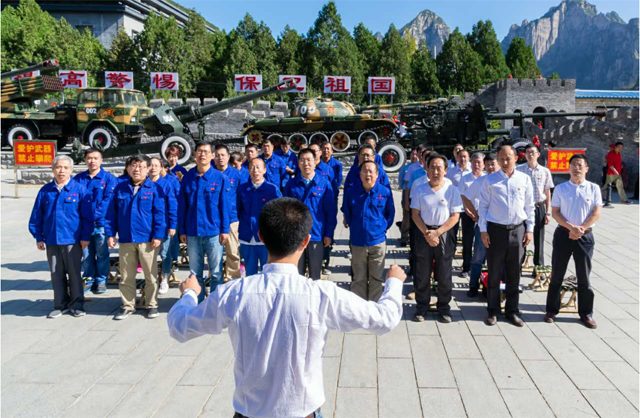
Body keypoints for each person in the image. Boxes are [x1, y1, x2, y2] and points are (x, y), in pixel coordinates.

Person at [167, 198, 405, 418]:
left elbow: (179, 327)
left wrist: (190, 293)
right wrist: (394, 282)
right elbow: (385, 318)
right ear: (305, 241)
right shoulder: (321, 295)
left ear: (261, 236)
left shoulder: (234, 293)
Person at [29, 155, 93, 318]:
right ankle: (60, 305)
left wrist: (85, 236)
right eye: (58, 167)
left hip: (72, 240)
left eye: (65, 167)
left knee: (74, 273)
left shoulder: (79, 190)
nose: (61, 171)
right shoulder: (45, 191)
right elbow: (37, 215)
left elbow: (87, 217)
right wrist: (39, 237)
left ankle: (77, 305)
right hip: (52, 240)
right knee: (56, 273)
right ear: (53, 169)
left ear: (71, 170)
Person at [479, 145, 535, 327]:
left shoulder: (524, 179)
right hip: (495, 231)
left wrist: (529, 229)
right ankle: (492, 310)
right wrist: (483, 230)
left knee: (514, 273)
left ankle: (512, 310)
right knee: (494, 272)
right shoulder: (489, 180)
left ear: (516, 158)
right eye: (501, 158)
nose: (504, 162)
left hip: (517, 230)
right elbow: (483, 206)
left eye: (508, 158)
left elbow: (529, 206)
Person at [544, 154, 602, 329]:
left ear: (586, 168)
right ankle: (551, 310)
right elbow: (555, 212)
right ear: (569, 168)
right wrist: (571, 228)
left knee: (584, 276)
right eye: (573, 165)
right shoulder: (561, 188)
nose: (576, 168)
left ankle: (586, 313)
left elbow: (596, 213)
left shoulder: (593, 188)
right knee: (557, 273)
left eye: (580, 165)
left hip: (585, 236)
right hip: (563, 235)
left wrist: (581, 229)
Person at [106, 155, 166, 320]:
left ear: (147, 169)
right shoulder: (120, 188)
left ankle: (152, 305)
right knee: (126, 275)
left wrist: (158, 235)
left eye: (141, 166)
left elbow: (160, 214)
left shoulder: (155, 189)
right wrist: (111, 234)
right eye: (133, 166)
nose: (137, 169)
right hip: (126, 239)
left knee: (150, 275)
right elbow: (111, 214)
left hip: (148, 240)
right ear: (128, 168)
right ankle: (127, 306)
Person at [411, 154, 463, 323]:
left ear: (445, 170)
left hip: (444, 233)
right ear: (426, 169)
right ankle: (422, 307)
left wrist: (437, 232)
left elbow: (455, 216)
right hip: (424, 232)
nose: (435, 171)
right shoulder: (419, 189)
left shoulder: (452, 190)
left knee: (444, 273)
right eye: (432, 167)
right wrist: (428, 233)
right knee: (422, 272)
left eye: (439, 168)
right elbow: (415, 214)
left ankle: (444, 308)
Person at [178, 142, 230, 303]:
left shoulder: (220, 178)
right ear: (194, 154)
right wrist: (182, 230)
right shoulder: (188, 177)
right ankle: (198, 303)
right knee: (195, 273)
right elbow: (182, 206)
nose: (202, 155)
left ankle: (214, 304)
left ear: (212, 155)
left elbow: (224, 206)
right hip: (193, 232)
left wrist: (225, 230)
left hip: (213, 232)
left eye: (206, 152)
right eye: (199, 151)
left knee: (216, 272)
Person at [342, 161, 395, 301]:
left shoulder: (385, 192)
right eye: (364, 171)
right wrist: (356, 227)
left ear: (377, 174)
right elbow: (347, 213)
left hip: (377, 242)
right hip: (358, 242)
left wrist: (380, 229)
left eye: (371, 171)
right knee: (358, 277)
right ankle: (359, 307)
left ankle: (374, 305)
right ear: (360, 174)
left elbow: (390, 214)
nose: (368, 174)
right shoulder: (351, 193)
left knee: (376, 278)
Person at [284, 149, 337, 280]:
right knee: (297, 274)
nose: (306, 163)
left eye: (309, 160)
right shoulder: (291, 185)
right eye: (302, 160)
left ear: (315, 162)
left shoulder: (324, 184)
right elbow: (286, 211)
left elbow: (330, 212)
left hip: (316, 234)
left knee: (315, 274)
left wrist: (328, 234)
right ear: (298, 163)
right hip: (297, 235)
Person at [74, 148, 117, 294]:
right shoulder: (78, 179)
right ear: (85, 160)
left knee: (102, 254)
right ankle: (88, 279)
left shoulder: (109, 179)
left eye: (95, 158)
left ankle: (101, 280)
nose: (92, 161)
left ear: (101, 160)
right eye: (89, 158)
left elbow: (107, 201)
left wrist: (93, 216)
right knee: (86, 254)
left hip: (101, 224)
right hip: (83, 225)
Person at [237, 158, 282, 275]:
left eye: (258, 167)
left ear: (264, 170)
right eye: (252, 167)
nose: (255, 170)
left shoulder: (272, 189)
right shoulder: (242, 189)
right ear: (248, 170)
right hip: (247, 237)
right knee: (249, 273)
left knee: (267, 272)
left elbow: (279, 213)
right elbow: (238, 210)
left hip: (265, 238)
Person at [462, 153, 498, 297]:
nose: (490, 167)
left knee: (497, 259)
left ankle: (493, 287)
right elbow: (466, 196)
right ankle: (473, 286)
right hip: (482, 226)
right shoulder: (480, 181)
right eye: (487, 164)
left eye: (492, 164)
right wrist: (475, 214)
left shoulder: (503, 180)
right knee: (478, 257)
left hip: (499, 226)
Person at [516, 144, 554, 268]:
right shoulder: (519, 170)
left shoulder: (545, 171)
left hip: (539, 207)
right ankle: (519, 264)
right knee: (521, 235)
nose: (530, 154)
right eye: (528, 152)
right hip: (523, 208)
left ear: (538, 154)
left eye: (533, 152)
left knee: (539, 237)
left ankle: (538, 266)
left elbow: (547, 193)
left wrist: (548, 212)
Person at [149, 157, 178, 295]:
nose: (153, 168)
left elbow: (172, 205)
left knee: (165, 253)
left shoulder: (166, 185)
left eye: (156, 165)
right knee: (149, 254)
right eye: (151, 165)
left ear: (162, 168)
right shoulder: (142, 183)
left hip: (163, 225)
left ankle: (165, 278)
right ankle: (151, 279)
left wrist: (173, 225)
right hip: (146, 226)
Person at [214, 144, 243, 282]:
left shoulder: (237, 174)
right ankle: (216, 281)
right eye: (217, 155)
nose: (220, 158)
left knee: (233, 252)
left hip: (232, 218)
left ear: (228, 157)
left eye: (223, 155)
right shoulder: (210, 174)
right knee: (214, 255)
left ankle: (233, 281)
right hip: (214, 220)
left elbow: (243, 196)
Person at [457, 152, 485, 278]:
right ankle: (466, 267)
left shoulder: (486, 178)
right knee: (467, 241)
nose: (476, 165)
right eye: (474, 162)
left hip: (483, 214)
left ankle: (481, 267)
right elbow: (462, 196)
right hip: (467, 214)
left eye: (479, 162)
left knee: (481, 242)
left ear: (483, 164)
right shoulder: (465, 178)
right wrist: (469, 211)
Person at [398, 148, 418, 246]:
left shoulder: (421, 168)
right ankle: (404, 238)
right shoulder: (405, 168)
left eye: (416, 154)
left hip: (417, 195)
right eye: (412, 154)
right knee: (406, 217)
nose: (414, 156)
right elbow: (401, 181)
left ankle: (413, 238)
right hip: (407, 193)